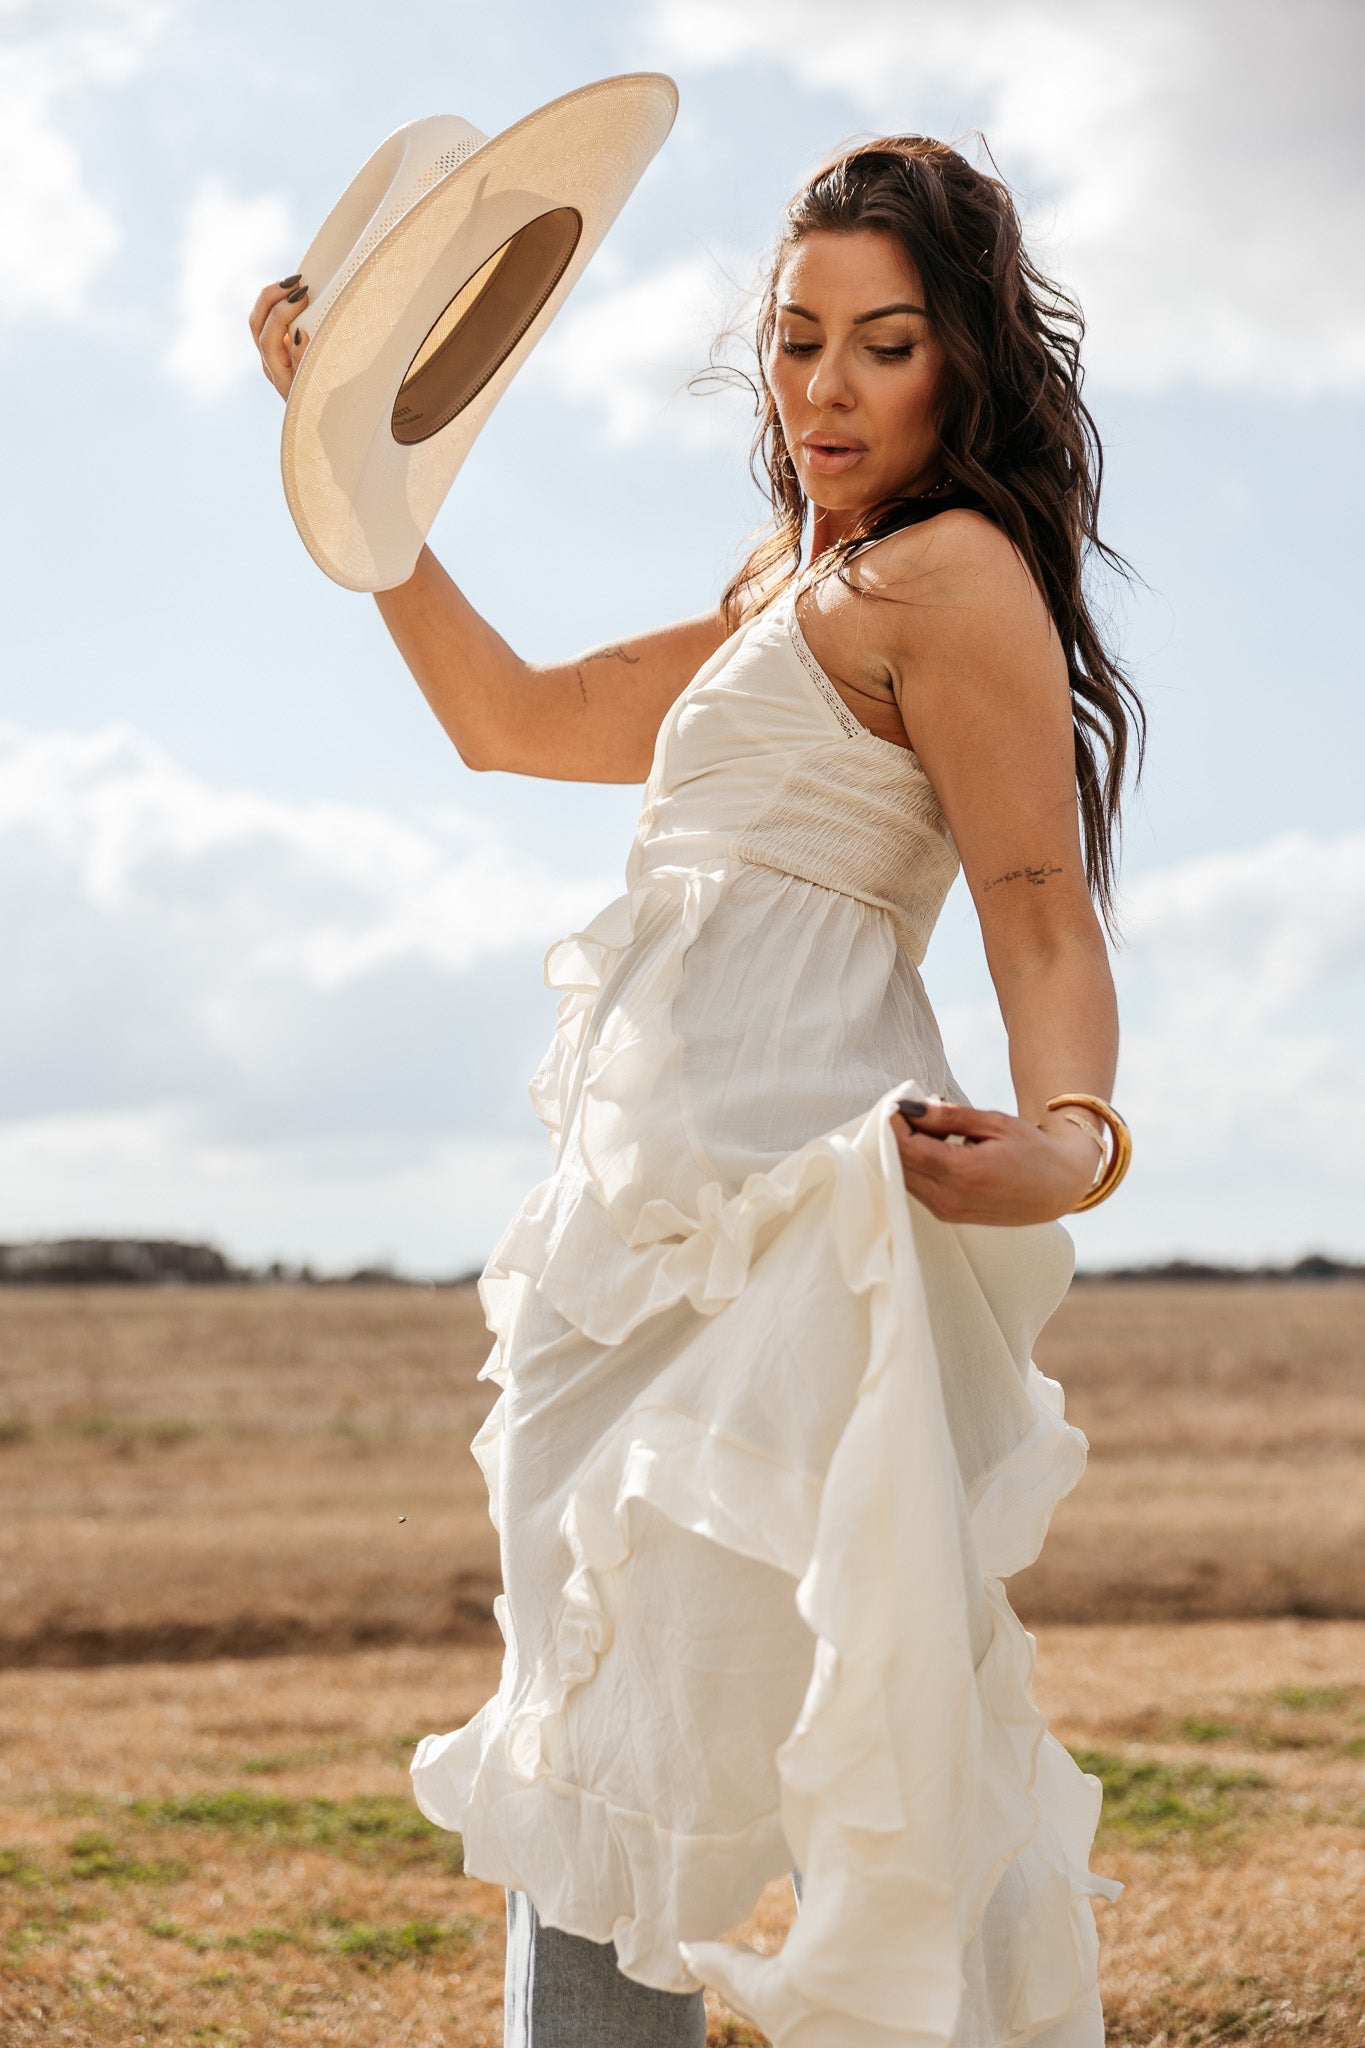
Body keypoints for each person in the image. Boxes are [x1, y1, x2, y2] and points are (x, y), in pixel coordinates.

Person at [253, 132, 1142, 2048]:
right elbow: (508, 719)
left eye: (881, 345)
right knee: (592, 1746)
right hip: (627, 1230)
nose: (823, 387)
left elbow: (1038, 915)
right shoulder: (781, 586)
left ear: (964, 362)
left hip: (783, 1214)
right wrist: (343, 453)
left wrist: (1075, 1144)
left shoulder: (953, 577)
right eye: (794, 338)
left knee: (727, 1733)